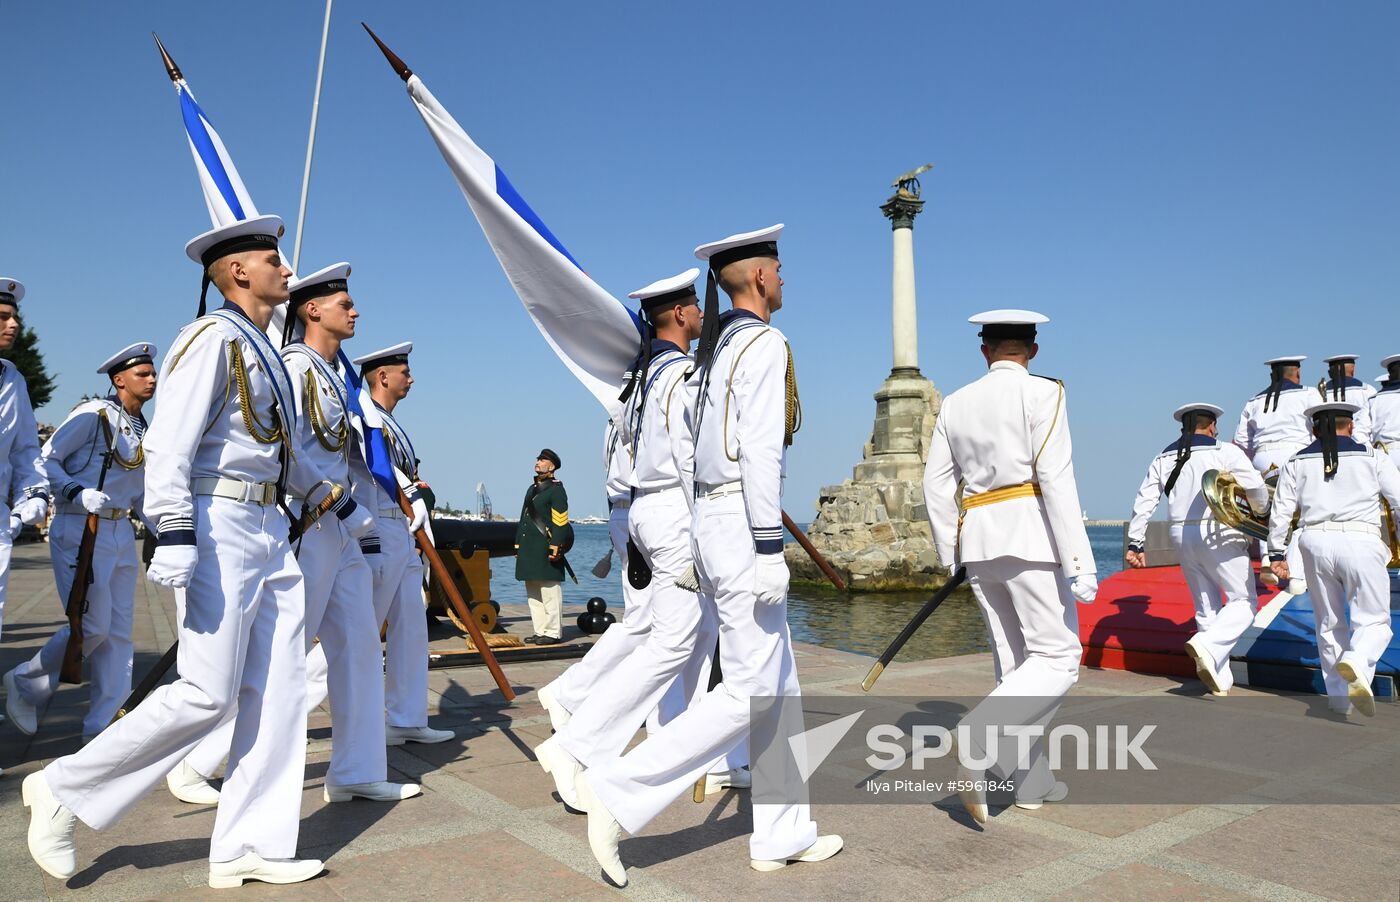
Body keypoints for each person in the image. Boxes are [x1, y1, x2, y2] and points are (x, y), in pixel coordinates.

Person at [21, 216, 325, 888]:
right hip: (220, 521)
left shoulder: (267, 349)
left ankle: (253, 845)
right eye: (274, 259)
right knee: (207, 694)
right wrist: (176, 529)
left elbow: (280, 450)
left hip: (269, 525)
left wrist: (332, 495)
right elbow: (169, 445)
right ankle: (64, 787)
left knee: (281, 693)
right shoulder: (211, 337)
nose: (286, 268)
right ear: (238, 272)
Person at [580, 225, 841, 886]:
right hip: (741, 522)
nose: (784, 280)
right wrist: (768, 548)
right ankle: (619, 793)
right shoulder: (764, 343)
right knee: (752, 690)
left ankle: (782, 833)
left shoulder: (711, 352)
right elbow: (761, 451)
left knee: (779, 684)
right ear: (758, 278)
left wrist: (707, 539)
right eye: (779, 269)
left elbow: (696, 454)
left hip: (714, 520)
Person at [170, 264, 421, 805]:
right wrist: (334, 503)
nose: (354, 312)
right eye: (344, 304)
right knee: (276, 657)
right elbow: (289, 452)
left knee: (356, 647)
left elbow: (346, 455)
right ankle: (197, 761)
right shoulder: (296, 367)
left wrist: (366, 521)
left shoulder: (334, 376)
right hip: (307, 523)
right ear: (313, 310)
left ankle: (355, 769)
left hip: (341, 525)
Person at [536, 267, 740, 808]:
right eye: (694, 305)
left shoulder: (645, 380)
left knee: (681, 636)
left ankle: (686, 746)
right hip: (675, 510)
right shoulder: (679, 378)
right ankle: (577, 742)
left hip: (647, 510)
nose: (700, 313)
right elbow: (689, 456)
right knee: (672, 638)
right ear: (678, 314)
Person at [923, 309, 1097, 821]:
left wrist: (948, 551)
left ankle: (1030, 783)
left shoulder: (955, 402)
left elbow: (936, 484)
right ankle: (979, 736)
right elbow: (1055, 475)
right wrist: (1079, 561)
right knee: (1059, 658)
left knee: (1016, 667)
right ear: (1033, 350)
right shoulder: (1044, 392)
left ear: (985, 350)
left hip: (977, 538)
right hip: (1029, 532)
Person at [5, 342, 156, 739]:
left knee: (120, 633)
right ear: (118, 380)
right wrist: (74, 491)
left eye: (153, 372)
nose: (152, 379)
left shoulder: (141, 426)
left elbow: (138, 489)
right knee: (93, 626)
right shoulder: (93, 416)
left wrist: (164, 528)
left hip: (120, 528)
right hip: (81, 525)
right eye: (142, 374)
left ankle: (104, 727)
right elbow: (46, 459)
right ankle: (26, 680)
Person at [1268, 401, 1400, 717]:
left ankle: (1339, 700)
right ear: (1351, 426)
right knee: (1375, 622)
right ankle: (1356, 660)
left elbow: (1281, 511)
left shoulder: (1295, 460)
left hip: (1313, 543)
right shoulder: (1373, 456)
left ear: (1313, 429)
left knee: (1328, 623)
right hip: (1361, 541)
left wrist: (1275, 552)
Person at [1125, 403, 1268, 695]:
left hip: (1180, 532)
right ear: (1212, 425)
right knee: (1243, 600)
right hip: (1217, 530)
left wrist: (1136, 541)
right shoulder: (1224, 451)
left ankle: (1219, 678)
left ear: (1184, 427)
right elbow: (1255, 487)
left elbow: (1145, 500)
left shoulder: (1164, 456)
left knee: (1206, 606)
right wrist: (1262, 512)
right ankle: (1207, 645)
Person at [351, 342, 454, 745]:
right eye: (404, 372)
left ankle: (406, 718)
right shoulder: (366, 418)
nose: (410, 379)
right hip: (380, 529)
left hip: (404, 535)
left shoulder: (390, 423)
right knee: (359, 633)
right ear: (382, 377)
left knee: (411, 628)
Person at [1235, 356, 1315, 591]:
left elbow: (1241, 439)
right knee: (1301, 513)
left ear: (1272, 375)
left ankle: (1269, 558)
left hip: (1264, 456)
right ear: (1297, 374)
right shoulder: (1309, 394)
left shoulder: (1254, 400)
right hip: (1296, 452)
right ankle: (1297, 577)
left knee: (1265, 509)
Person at [0, 277, 51, 649]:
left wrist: (32, 492)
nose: (14, 325)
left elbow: (24, 448)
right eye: (2, 317)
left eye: (14, 317)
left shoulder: (12, 378)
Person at [513, 449, 574, 644]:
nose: (538, 462)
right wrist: (518, 544)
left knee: (549, 592)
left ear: (552, 466)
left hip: (545, 546)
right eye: (538, 459)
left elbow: (560, 522)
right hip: (529, 548)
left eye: (542, 460)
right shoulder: (531, 489)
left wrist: (555, 546)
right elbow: (523, 518)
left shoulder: (556, 490)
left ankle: (553, 632)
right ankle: (540, 631)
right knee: (533, 593)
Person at [1322, 354, 1375, 444]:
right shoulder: (1368, 390)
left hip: (1329, 443)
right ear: (1352, 369)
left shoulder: (1321, 392)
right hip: (1361, 443)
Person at [1368, 354, 1400, 454]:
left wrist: (1372, 454)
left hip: (1384, 453)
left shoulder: (1374, 400)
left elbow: (1359, 434)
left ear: (1390, 376)